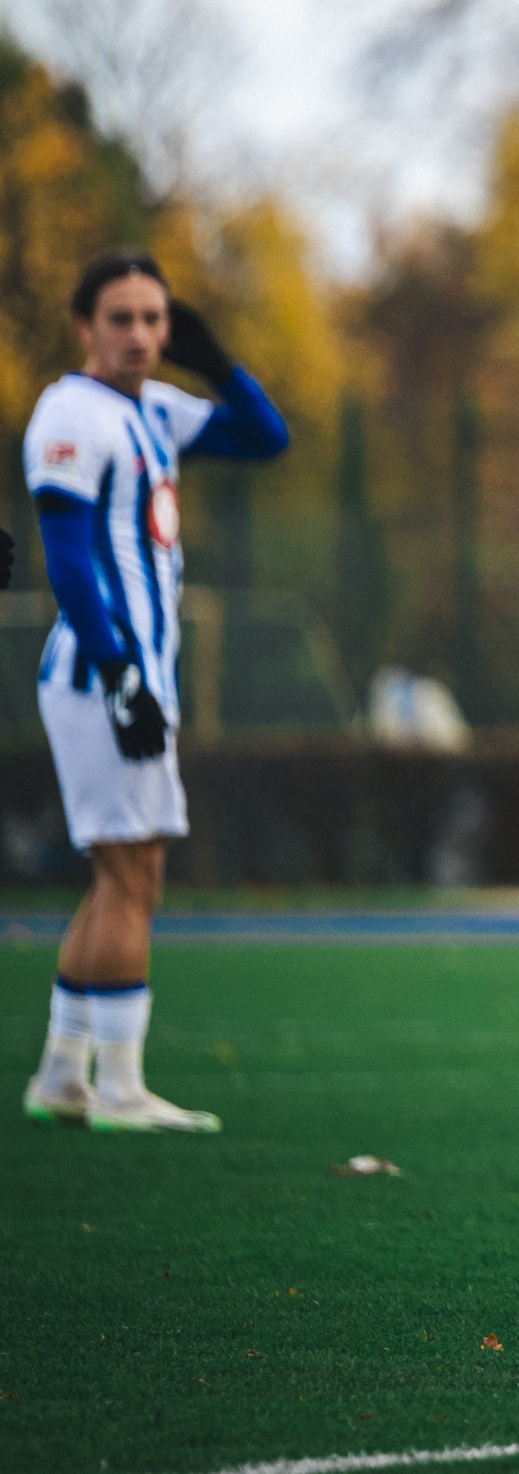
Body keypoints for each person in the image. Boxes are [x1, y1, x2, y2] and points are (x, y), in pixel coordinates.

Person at [20, 251, 289, 1132]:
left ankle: (64, 1074)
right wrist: (122, 675)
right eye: (121, 318)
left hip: (127, 678)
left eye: (154, 318)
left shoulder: (154, 410)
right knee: (133, 876)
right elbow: (68, 558)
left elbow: (266, 437)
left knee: (120, 875)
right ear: (84, 327)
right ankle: (122, 1088)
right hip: (105, 678)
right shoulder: (73, 411)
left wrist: (215, 362)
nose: (139, 335)